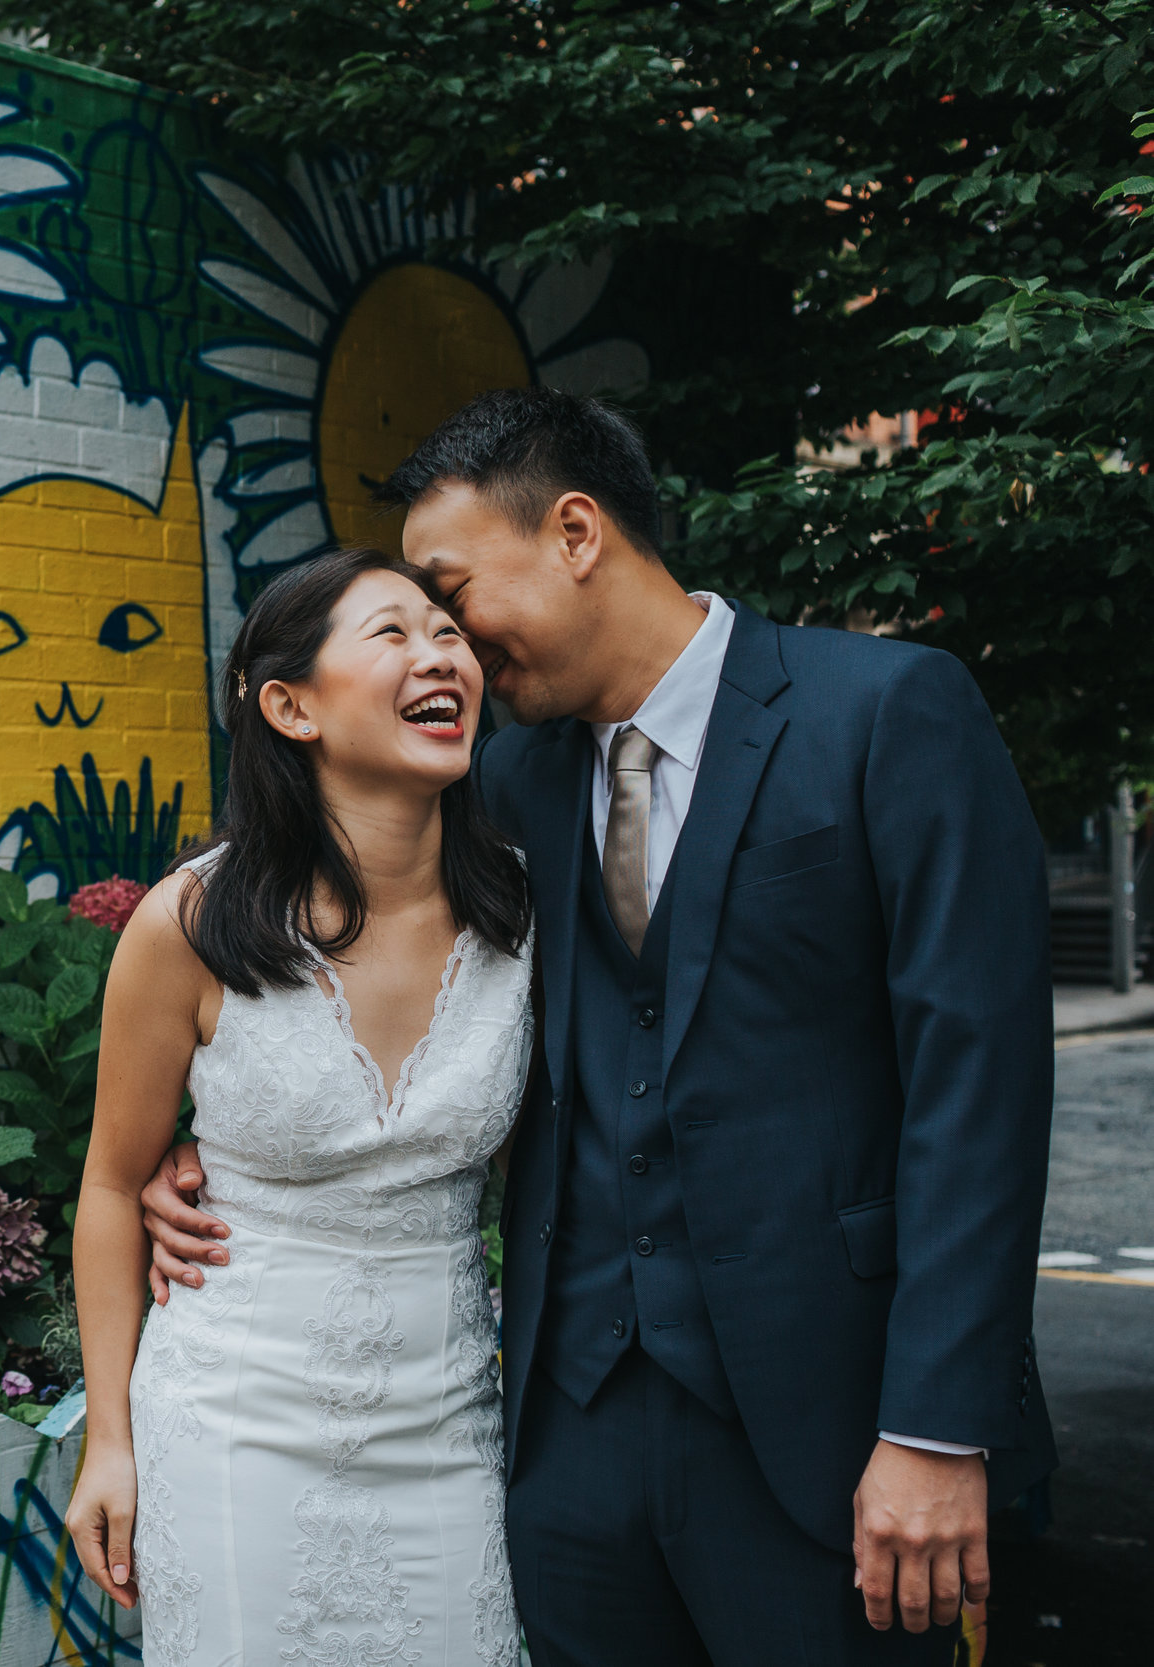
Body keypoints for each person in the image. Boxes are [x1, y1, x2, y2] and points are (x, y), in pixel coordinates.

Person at [138, 387, 1056, 1664]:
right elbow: (357, 972)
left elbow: (981, 1092)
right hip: (563, 1447)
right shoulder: (501, 785)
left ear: (574, 533)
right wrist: (228, 1148)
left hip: (834, 1434)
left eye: (451, 591)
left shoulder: (887, 712)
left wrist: (936, 1426)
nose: (447, 642)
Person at [65, 545, 537, 1663]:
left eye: (447, 631)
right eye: (393, 633)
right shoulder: (190, 922)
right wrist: (111, 1440)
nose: (440, 655)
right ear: (289, 704)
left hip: (448, 1429)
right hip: (233, 1423)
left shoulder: (528, 910)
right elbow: (106, 1185)